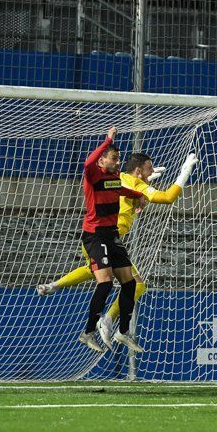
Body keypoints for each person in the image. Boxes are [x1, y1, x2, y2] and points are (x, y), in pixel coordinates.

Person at [37, 149, 198, 346]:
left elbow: (127, 190)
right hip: (101, 236)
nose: (152, 170)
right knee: (128, 283)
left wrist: (147, 181)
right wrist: (184, 173)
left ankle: (55, 287)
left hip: (105, 237)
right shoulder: (134, 182)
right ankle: (107, 321)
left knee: (98, 272)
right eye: (149, 168)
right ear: (138, 171)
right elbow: (166, 198)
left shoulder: (120, 177)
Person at [74, 126, 148, 354]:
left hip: (111, 235)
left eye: (118, 159)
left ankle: (122, 331)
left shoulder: (115, 177)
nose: (118, 163)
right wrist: (108, 140)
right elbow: (87, 164)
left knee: (130, 283)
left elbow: (122, 191)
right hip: (95, 236)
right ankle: (87, 333)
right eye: (113, 159)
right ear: (102, 160)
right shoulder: (93, 174)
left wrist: (140, 196)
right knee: (105, 283)